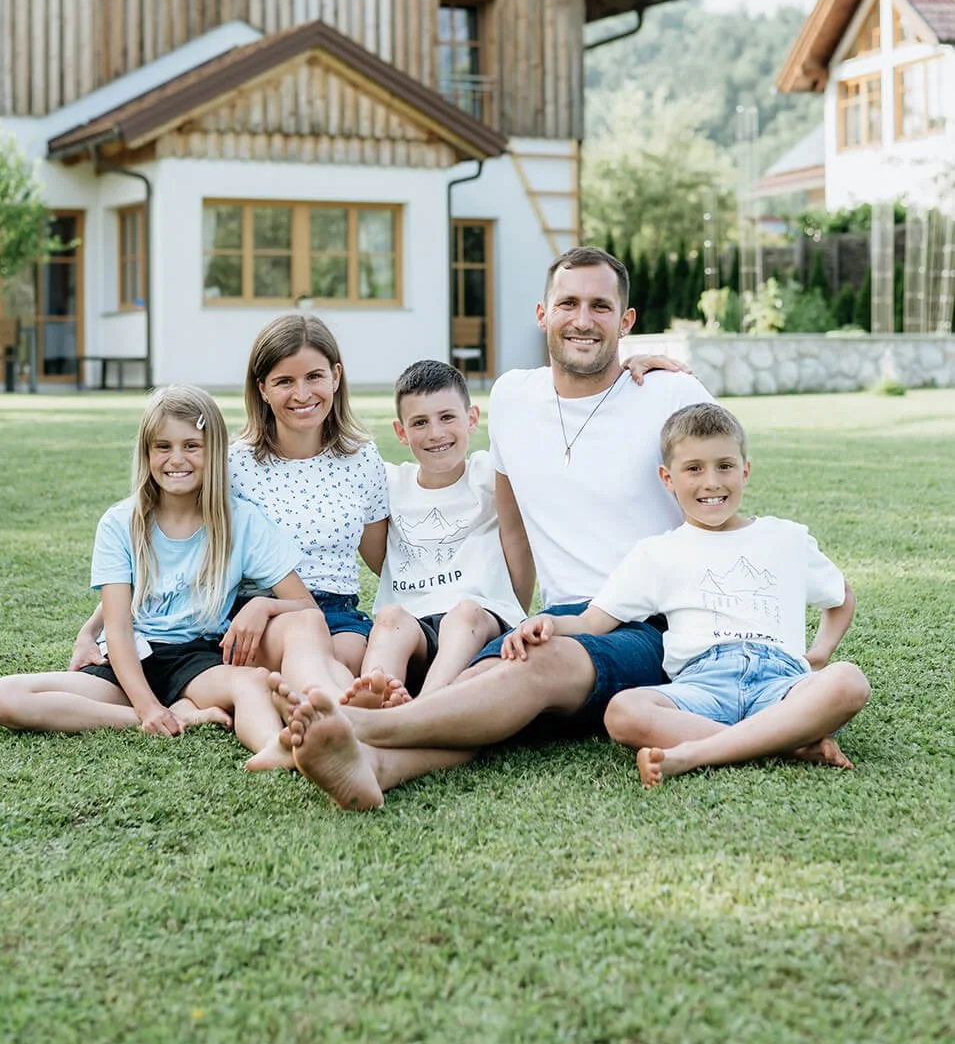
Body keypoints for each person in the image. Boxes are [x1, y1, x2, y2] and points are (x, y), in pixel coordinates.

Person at [278, 246, 718, 809]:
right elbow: (510, 520)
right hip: (562, 615)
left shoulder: (670, 393)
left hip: (653, 625)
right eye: (569, 303)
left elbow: (720, 503)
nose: (583, 320)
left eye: (601, 307)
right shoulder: (513, 397)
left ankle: (365, 730)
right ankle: (376, 770)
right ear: (543, 314)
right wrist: (513, 611)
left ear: (626, 321)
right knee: (473, 690)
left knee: (535, 667)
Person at [504, 400, 870, 786]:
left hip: (781, 683)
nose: (711, 482)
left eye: (725, 466)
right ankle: (786, 743)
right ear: (668, 478)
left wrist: (819, 654)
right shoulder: (657, 553)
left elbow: (840, 596)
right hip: (701, 687)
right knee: (623, 711)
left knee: (848, 680)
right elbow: (592, 620)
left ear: (745, 471)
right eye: (693, 469)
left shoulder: (785, 538)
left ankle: (695, 754)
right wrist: (548, 622)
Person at [0, 386, 319, 755]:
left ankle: (276, 750)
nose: (177, 459)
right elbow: (119, 629)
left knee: (251, 683)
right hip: (129, 659)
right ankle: (174, 717)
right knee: (2, 696)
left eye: (192, 445)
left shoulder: (242, 522)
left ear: (215, 451)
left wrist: (264, 606)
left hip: (197, 658)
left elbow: (304, 606)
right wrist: (147, 708)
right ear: (147, 453)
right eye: (163, 447)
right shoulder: (119, 523)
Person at [343, 359, 529, 706]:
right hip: (415, 631)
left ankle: (424, 709)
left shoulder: (490, 473)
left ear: (472, 419)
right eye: (420, 423)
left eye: (447, 417)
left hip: (482, 626)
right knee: (389, 618)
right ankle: (374, 698)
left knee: (465, 613)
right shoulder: (389, 483)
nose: (436, 433)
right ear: (401, 432)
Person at [223, 313, 389, 686]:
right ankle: (346, 721)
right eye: (284, 381)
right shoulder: (234, 464)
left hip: (340, 613)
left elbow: (385, 559)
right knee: (316, 661)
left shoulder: (362, 458)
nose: (302, 394)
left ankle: (327, 715)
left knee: (351, 661)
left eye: (314, 377)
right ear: (262, 388)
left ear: (336, 376)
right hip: (263, 616)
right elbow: (180, 545)